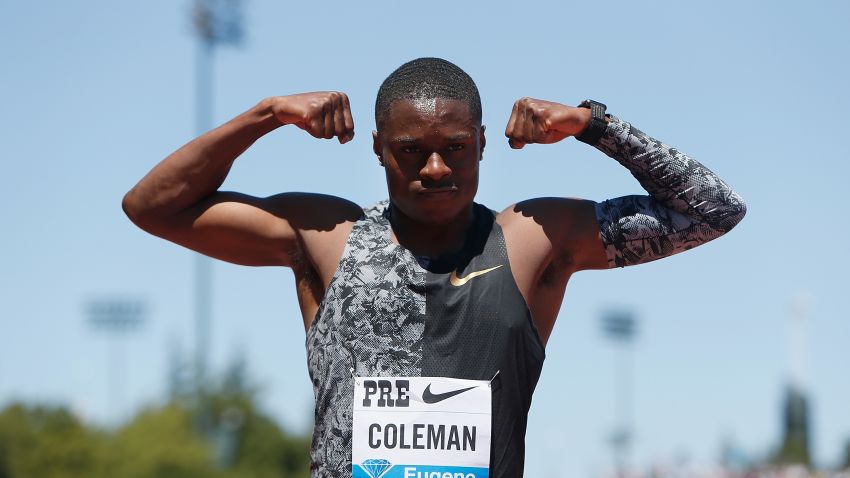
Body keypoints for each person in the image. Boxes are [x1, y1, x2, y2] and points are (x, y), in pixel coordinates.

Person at [123, 57, 746, 477]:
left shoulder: (530, 240)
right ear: (377, 149)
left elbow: (712, 211)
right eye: (410, 151)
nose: (435, 169)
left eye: (453, 148)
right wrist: (266, 116)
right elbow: (150, 207)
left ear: (480, 142)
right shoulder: (325, 236)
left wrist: (592, 124)